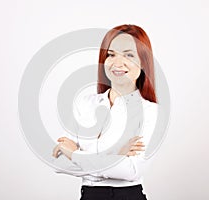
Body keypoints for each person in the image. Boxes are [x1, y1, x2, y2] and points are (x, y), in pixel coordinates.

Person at [52, 24, 158, 200]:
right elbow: (58, 162)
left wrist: (74, 153)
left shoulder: (151, 111)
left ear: (143, 62)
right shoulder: (85, 104)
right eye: (111, 54)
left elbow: (132, 170)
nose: (117, 63)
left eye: (129, 55)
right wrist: (117, 155)